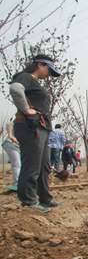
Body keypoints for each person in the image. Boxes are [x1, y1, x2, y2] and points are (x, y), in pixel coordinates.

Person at [9, 54, 61, 212]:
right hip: (30, 126)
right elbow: (15, 88)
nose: (49, 75)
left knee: (44, 165)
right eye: (48, 70)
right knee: (32, 165)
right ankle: (29, 201)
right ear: (39, 64)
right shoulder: (25, 77)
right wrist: (27, 110)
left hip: (42, 127)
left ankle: (44, 198)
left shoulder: (35, 83)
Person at [1, 120, 21, 192]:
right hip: (10, 144)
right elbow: (9, 124)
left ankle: (20, 182)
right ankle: (17, 184)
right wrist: (10, 135)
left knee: (20, 164)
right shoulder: (19, 121)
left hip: (18, 146)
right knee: (17, 164)